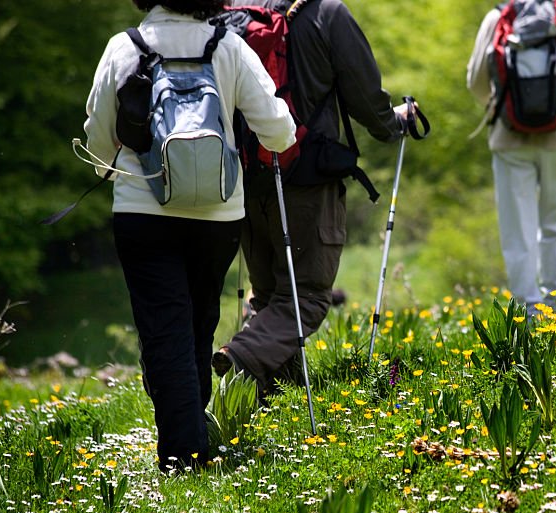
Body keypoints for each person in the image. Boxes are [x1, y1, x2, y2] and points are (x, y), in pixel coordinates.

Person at [83, 0, 296, 473]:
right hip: (218, 213)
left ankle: (186, 452)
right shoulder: (229, 47)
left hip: (143, 211)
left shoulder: (124, 48)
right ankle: (191, 436)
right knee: (198, 322)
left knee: (165, 328)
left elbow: (99, 145)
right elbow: (279, 133)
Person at [212, 0, 414, 394]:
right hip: (306, 174)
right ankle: (240, 353)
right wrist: (395, 124)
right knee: (306, 298)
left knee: (271, 295)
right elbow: (363, 93)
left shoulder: (234, 11)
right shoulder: (325, 14)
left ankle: (275, 397)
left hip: (246, 178)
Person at [466, 1, 556, 317]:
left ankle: (528, 311)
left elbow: (475, 79)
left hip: (509, 138)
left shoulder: (497, 18)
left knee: (518, 228)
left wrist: (501, 108)